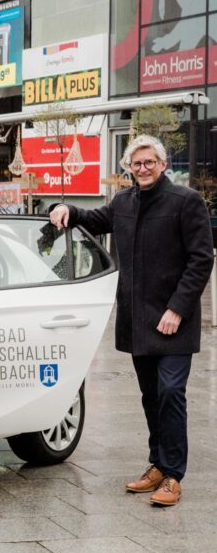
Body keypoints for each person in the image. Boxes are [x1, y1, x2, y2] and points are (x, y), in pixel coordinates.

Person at [50, 134, 213, 506]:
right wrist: (67, 210)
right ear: (129, 167)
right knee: (151, 396)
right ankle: (157, 464)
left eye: (149, 162)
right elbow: (92, 219)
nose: (142, 168)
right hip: (138, 321)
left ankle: (173, 475)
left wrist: (178, 309)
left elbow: (201, 260)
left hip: (174, 319)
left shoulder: (186, 201)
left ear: (163, 164)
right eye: (136, 164)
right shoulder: (123, 202)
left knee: (172, 392)